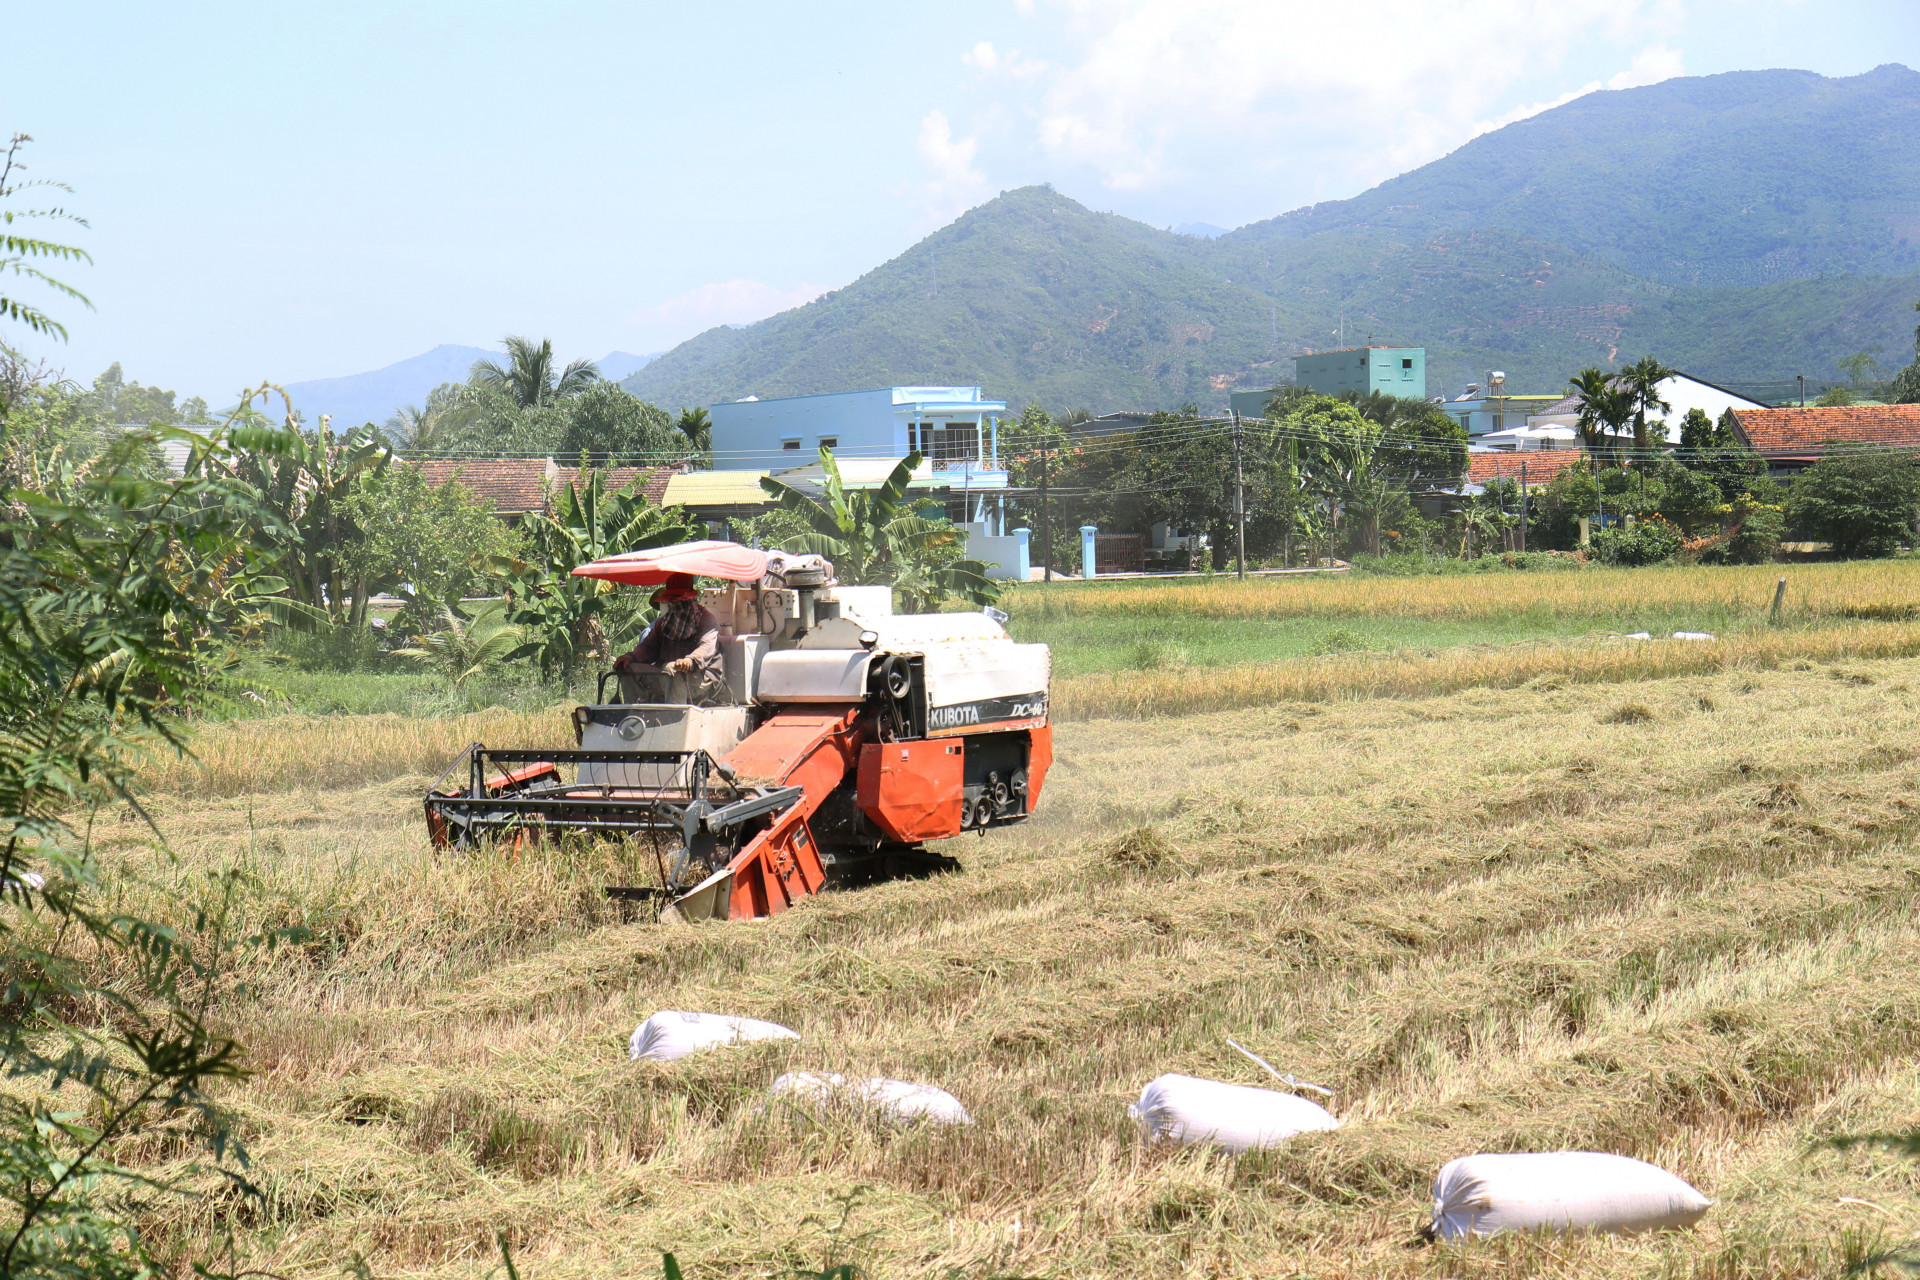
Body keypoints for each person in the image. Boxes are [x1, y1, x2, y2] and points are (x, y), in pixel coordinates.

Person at [611, 574, 724, 704]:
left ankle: (674, 718)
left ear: (689, 598)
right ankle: (636, 715)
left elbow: (706, 647)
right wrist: (631, 657)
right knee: (628, 670)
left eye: (679, 599)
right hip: (666, 673)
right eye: (672, 600)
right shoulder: (664, 622)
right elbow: (648, 647)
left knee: (671, 669)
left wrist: (690, 660)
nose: (675, 603)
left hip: (701, 677)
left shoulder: (706, 619)